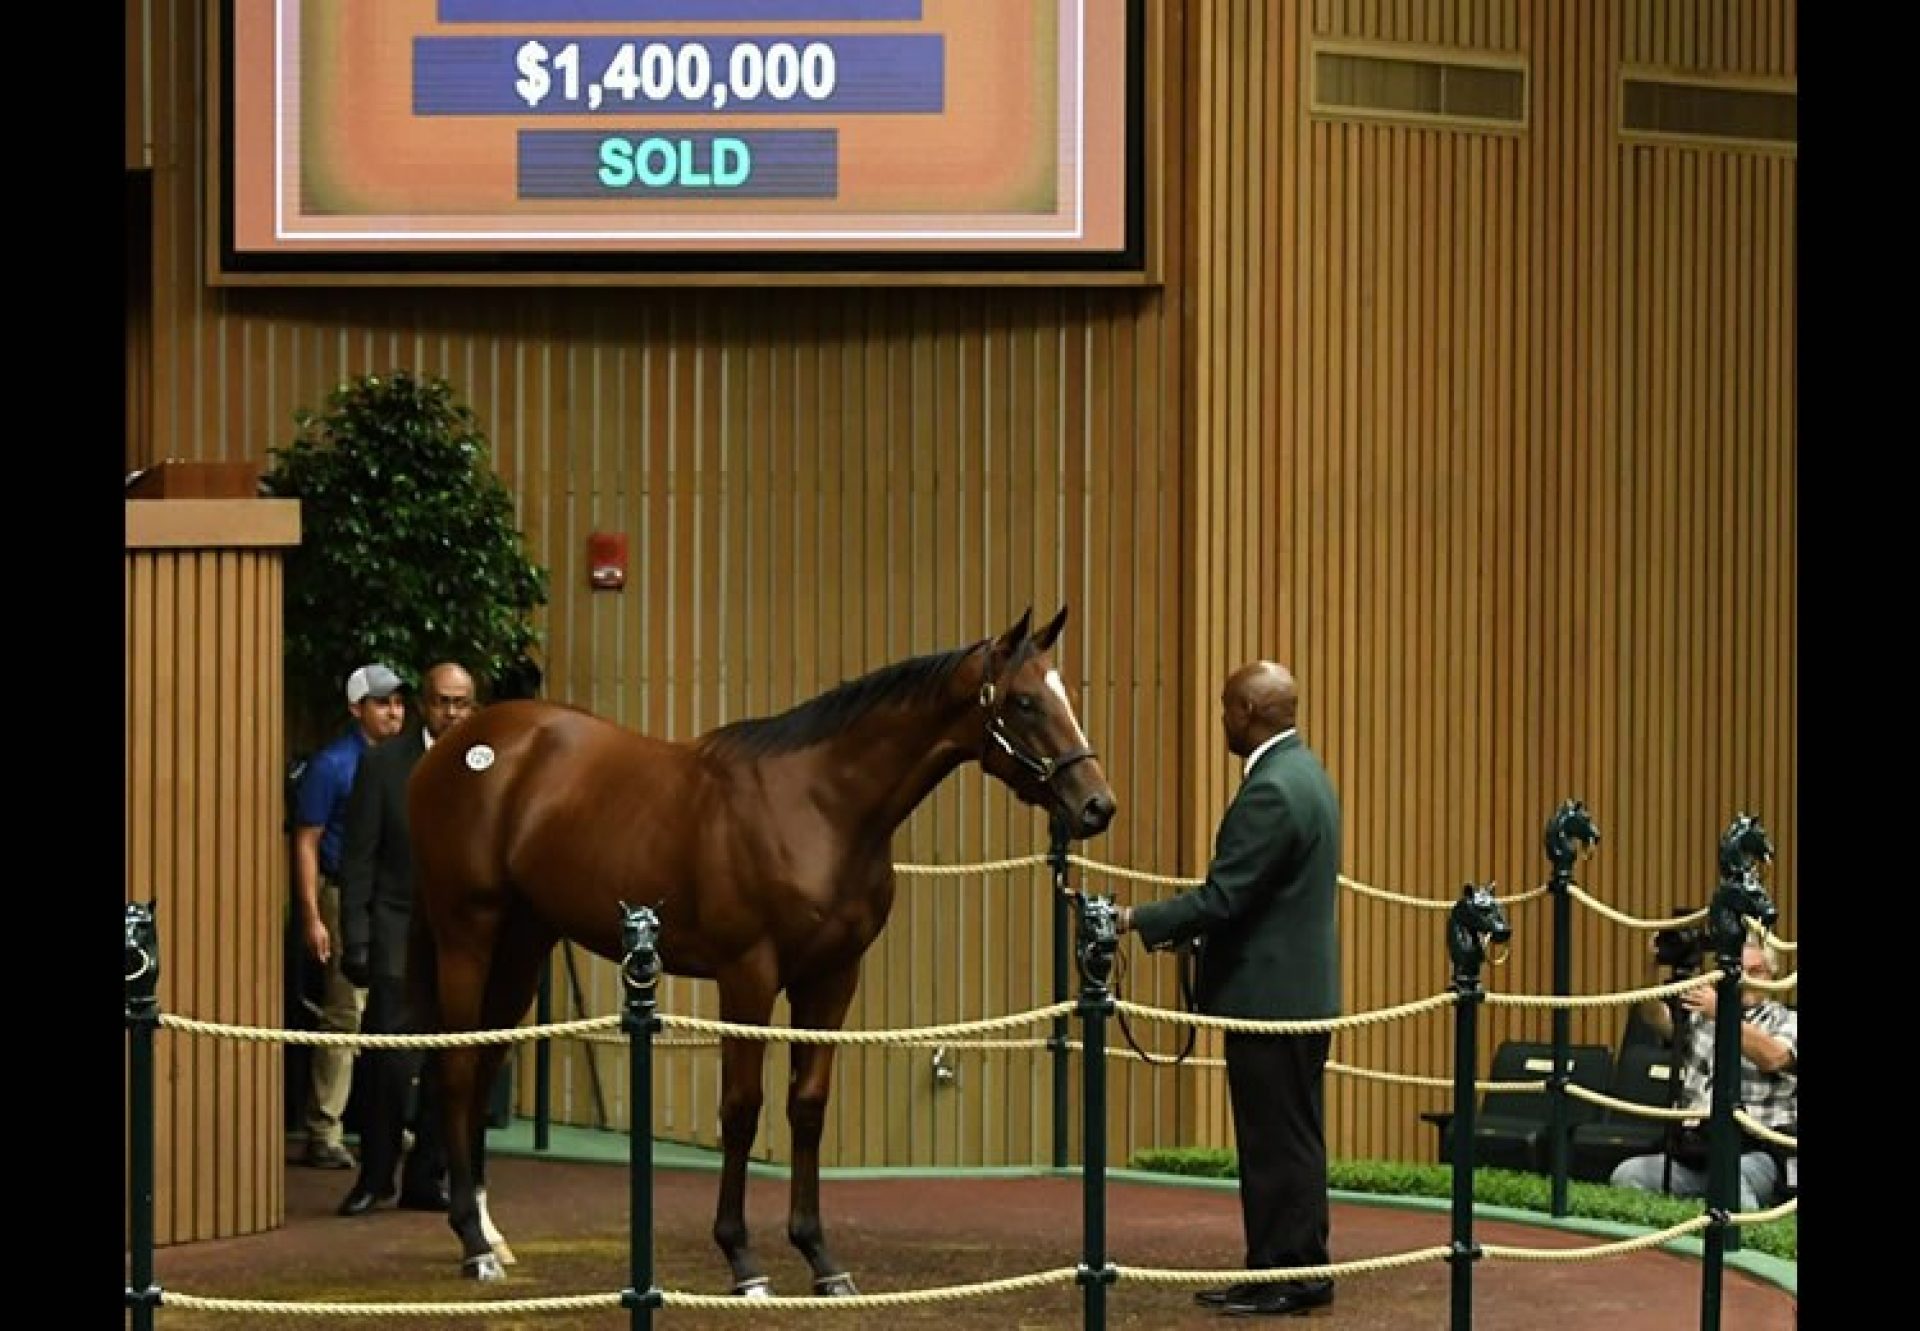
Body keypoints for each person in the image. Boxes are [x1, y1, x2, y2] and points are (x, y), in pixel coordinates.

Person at [1115, 660, 1341, 1318]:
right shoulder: (1309, 773)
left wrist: (1136, 920)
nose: (1221, 719)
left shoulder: (1271, 788)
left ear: (1248, 710)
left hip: (1272, 1000)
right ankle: (1286, 1264)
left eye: (1225, 707)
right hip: (1295, 995)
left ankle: (1288, 1275)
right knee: (1290, 1136)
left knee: (1276, 1141)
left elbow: (1225, 896)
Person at [336, 661, 477, 1216]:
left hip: (462, 935)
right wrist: (357, 938)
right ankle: (375, 1176)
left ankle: (428, 1176)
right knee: (390, 1063)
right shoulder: (382, 764)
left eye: (462, 703)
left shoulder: (487, 763)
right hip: (397, 927)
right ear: (424, 704)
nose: (452, 713)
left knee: (452, 1060)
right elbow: (358, 859)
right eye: (442, 702)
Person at [288, 662, 408, 1169]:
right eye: (381, 702)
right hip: (344, 897)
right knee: (345, 1013)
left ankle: (384, 1124)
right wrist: (312, 915)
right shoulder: (332, 764)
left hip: (395, 900)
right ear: (356, 708)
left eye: (398, 702)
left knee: (393, 1012)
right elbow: (306, 842)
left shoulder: (408, 761)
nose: (393, 711)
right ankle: (325, 1129)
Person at [1608, 932, 1797, 1211]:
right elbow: (1652, 1016)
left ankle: (1741, 1250)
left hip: (1757, 1153)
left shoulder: (1786, 1020)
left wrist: (1723, 1014)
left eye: (1755, 971)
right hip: (1697, 1149)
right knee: (1628, 1176)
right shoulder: (1701, 1016)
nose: (1745, 979)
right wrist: (1653, 966)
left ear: (1771, 975)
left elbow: (1773, 1057)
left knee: (1730, 1181)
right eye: (1738, 972)